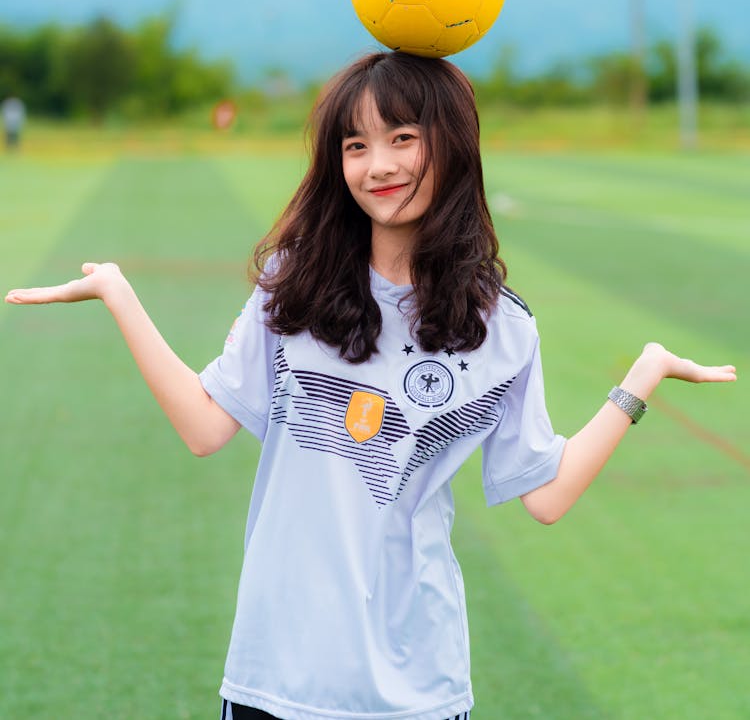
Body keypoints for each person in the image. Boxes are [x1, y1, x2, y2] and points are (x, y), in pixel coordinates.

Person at [4, 51, 736, 720]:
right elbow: (205, 428)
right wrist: (120, 295)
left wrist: (642, 378)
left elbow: (544, 494)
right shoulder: (293, 286)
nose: (376, 165)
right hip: (278, 677)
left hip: (420, 686)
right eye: (355, 145)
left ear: (450, 144)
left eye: (402, 138)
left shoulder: (502, 328)